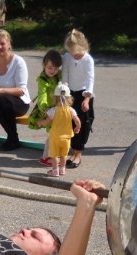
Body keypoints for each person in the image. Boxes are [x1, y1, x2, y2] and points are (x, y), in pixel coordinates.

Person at [62, 29, 95, 169]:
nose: (74, 55)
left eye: (76, 53)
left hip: (83, 95)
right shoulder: (67, 57)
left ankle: (78, 154)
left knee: (82, 125)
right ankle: (73, 152)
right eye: (71, 52)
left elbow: (90, 80)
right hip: (70, 94)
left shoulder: (88, 60)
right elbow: (65, 75)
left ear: (83, 47)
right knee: (70, 123)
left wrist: (87, 99)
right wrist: (64, 92)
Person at [37, 82, 81, 177]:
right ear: (69, 98)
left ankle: (55, 171)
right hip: (67, 138)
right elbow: (77, 120)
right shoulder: (71, 110)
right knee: (63, 155)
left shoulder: (53, 110)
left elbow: (47, 121)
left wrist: (40, 123)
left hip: (55, 137)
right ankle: (62, 170)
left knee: (55, 155)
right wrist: (77, 127)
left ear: (55, 97)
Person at [28, 49, 63, 168]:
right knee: (53, 134)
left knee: (54, 134)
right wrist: (45, 108)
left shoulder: (59, 75)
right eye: (50, 68)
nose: (53, 71)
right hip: (48, 110)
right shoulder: (42, 80)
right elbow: (42, 94)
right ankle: (48, 157)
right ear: (44, 65)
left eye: (56, 68)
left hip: (59, 108)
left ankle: (51, 156)